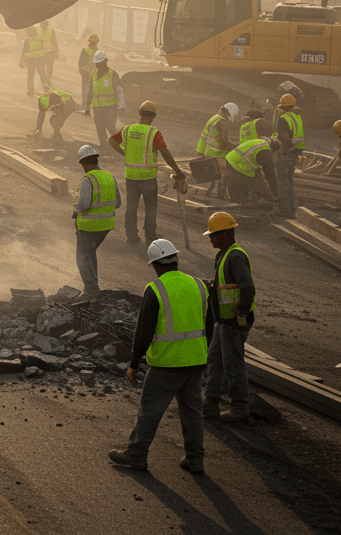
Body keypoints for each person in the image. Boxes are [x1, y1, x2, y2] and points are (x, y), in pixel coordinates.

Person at [109, 239, 213, 474]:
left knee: (150, 411)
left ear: (155, 264)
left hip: (167, 363)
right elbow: (210, 325)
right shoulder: (198, 285)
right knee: (192, 413)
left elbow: (143, 332)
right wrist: (202, 355)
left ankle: (137, 455)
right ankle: (195, 460)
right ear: (175, 260)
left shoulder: (156, 289)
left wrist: (134, 363)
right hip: (196, 362)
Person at [202, 211, 255, 424]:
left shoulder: (235, 256)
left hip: (234, 321)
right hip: (224, 320)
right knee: (215, 361)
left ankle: (240, 408)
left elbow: (248, 287)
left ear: (226, 233)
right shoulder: (224, 254)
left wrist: (241, 313)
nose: (211, 238)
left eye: (214, 235)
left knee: (233, 365)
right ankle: (210, 404)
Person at [109, 102, 187, 246]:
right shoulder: (153, 133)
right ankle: (150, 236)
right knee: (150, 207)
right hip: (148, 178)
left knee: (131, 207)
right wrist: (178, 171)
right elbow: (165, 152)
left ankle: (131, 236)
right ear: (152, 117)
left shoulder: (127, 129)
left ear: (140, 114)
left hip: (130, 177)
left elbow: (111, 140)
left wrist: (123, 153)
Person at [73, 145, 120, 297]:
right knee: (90, 253)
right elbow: (117, 203)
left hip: (89, 226)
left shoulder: (88, 179)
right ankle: (93, 285)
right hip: (106, 225)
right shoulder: (109, 176)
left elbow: (84, 204)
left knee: (82, 257)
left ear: (83, 164)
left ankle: (91, 289)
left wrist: (76, 209)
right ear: (96, 160)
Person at [225, 136, 281, 206]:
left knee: (238, 185)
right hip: (241, 163)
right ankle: (271, 199)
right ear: (274, 148)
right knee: (260, 187)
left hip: (231, 158)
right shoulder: (266, 150)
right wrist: (275, 192)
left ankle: (237, 201)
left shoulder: (260, 142)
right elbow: (269, 174)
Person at [274, 93, 304, 216]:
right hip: (295, 152)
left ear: (282, 106)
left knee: (282, 182)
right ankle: (292, 206)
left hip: (285, 153)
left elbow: (285, 138)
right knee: (290, 180)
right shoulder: (297, 117)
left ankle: (284, 209)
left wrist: (277, 143)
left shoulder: (283, 119)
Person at [84, 51, 124, 142]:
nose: (97, 65)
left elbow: (119, 89)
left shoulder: (112, 74)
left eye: (99, 62)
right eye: (96, 63)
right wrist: (87, 107)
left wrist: (121, 105)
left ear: (105, 61)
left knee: (110, 127)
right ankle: (104, 145)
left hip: (110, 106)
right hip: (97, 106)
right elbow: (90, 91)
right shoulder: (93, 74)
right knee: (100, 127)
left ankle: (121, 144)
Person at [18, 27, 45, 96]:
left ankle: (30, 91)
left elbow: (24, 51)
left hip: (31, 60)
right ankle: (47, 90)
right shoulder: (39, 38)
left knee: (30, 76)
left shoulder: (28, 40)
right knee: (42, 75)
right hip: (40, 59)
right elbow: (43, 48)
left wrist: (22, 60)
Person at [78, 34, 100, 108]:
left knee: (86, 89)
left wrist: (82, 71)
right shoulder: (98, 52)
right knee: (90, 90)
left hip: (88, 73)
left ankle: (85, 104)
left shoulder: (85, 50)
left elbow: (81, 63)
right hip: (89, 74)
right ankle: (86, 104)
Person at [37, 19, 58, 89]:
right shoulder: (37, 30)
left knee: (49, 69)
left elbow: (54, 41)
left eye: (44, 23)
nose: (42, 25)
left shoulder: (51, 30)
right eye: (41, 23)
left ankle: (48, 82)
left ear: (47, 23)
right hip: (40, 53)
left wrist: (56, 52)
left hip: (50, 52)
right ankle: (44, 83)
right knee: (41, 69)